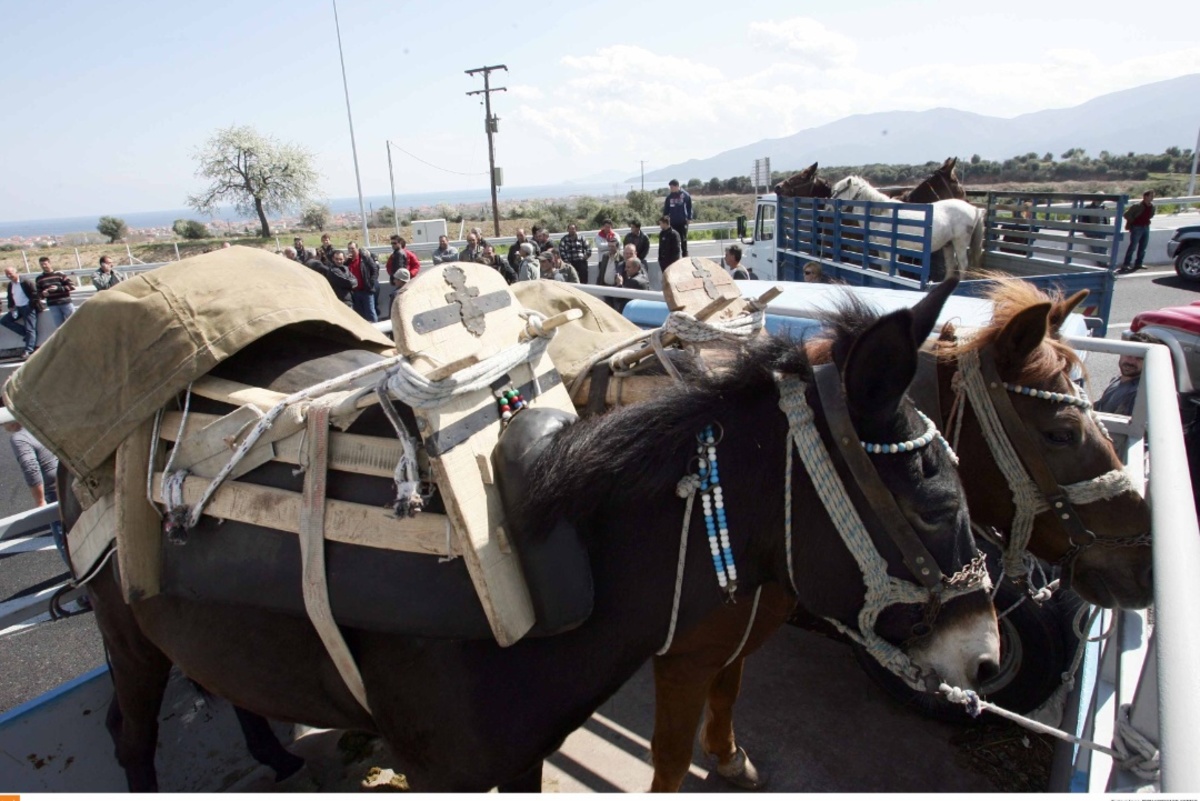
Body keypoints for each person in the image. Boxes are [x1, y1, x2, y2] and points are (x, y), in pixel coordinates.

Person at [4, 418, 66, 565]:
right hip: (66, 482)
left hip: (53, 491)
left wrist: (40, 502)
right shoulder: (40, 424)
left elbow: (31, 469)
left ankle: (80, 578)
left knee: (64, 541)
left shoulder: (19, 438)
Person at [2, 266, 43, 360]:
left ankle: (28, 350)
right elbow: (10, 296)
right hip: (18, 308)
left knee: (30, 329)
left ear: (15, 272)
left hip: (28, 307)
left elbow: (35, 294)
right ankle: (27, 335)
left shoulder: (25, 282)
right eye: (7, 274)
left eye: (10, 273)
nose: (9, 275)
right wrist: (11, 307)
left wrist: (31, 305)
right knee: (5, 321)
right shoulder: (11, 284)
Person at [35, 256, 76, 327]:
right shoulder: (39, 279)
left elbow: (72, 286)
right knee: (60, 327)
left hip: (65, 303)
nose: (44, 266)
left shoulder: (60, 274)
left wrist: (58, 288)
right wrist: (43, 294)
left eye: (45, 264)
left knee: (75, 323)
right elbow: (38, 294)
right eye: (41, 265)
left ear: (50, 263)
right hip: (53, 305)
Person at [1120, 191, 1155, 273]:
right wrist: (1134, 222)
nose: (1152, 198)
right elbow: (1126, 215)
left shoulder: (1152, 206)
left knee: (1143, 247)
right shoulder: (1137, 206)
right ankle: (1126, 264)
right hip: (1137, 228)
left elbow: (1151, 215)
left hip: (1146, 227)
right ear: (1145, 197)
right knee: (1133, 246)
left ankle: (1139, 263)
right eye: (1151, 196)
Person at [345, 241, 380, 322]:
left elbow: (374, 269)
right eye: (349, 249)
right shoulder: (348, 261)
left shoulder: (364, 258)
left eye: (352, 248)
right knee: (360, 314)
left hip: (366, 290)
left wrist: (371, 282)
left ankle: (376, 330)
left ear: (357, 248)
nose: (351, 251)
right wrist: (346, 261)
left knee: (370, 312)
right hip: (355, 292)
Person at [662, 179, 693, 257]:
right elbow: (666, 211)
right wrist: (665, 221)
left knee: (683, 240)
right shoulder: (669, 198)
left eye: (672, 187)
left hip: (683, 222)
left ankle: (685, 256)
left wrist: (689, 218)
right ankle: (675, 256)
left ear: (677, 186)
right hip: (672, 222)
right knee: (674, 240)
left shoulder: (685, 195)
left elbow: (689, 207)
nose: (671, 189)